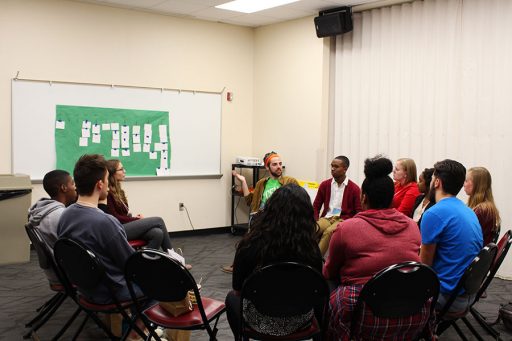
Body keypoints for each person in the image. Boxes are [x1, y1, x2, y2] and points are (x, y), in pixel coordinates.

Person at [57, 154, 165, 341]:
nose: (108, 184)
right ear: (100, 185)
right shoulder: (105, 222)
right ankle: (134, 334)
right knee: (162, 284)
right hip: (109, 291)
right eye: (107, 180)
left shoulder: (65, 216)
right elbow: (131, 266)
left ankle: (135, 328)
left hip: (84, 287)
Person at [323, 156, 423, 340]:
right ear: (391, 197)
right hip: (410, 311)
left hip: (364, 314)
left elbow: (330, 271)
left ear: (364, 197)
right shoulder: (412, 227)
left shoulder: (346, 228)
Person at [224, 184, 323, 339]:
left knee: (231, 298)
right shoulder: (312, 250)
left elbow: (238, 290)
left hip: (260, 320)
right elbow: (316, 291)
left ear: (270, 210)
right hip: (300, 321)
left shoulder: (250, 244)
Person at [420, 159, 483, 315]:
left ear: (436, 182)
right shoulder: (467, 210)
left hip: (446, 298)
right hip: (467, 294)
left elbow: (424, 268)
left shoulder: (434, 213)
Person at [222, 151, 298, 273]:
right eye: (274, 164)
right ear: (267, 167)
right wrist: (243, 181)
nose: (279, 167)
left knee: (258, 237)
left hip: (280, 218)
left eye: (280, 163)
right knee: (245, 242)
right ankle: (239, 265)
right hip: (261, 217)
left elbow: (296, 201)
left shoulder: (290, 181)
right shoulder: (261, 183)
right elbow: (249, 201)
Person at [105, 160, 181, 264]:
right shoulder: (107, 193)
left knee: (157, 233)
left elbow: (124, 213)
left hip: (124, 225)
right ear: (112, 173)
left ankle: (143, 265)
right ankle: (175, 260)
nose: (124, 171)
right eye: (121, 169)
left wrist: (133, 218)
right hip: (117, 229)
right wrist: (136, 219)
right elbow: (115, 217)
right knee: (158, 220)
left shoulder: (119, 190)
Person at [28, 170, 77, 283]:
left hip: (53, 272)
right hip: (68, 274)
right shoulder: (61, 216)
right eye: (73, 183)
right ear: (64, 188)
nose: (75, 187)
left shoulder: (40, 211)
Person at [313, 156, 362, 255]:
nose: (332, 169)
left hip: (342, 219)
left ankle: (315, 260)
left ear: (345, 169)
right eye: (331, 166)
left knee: (329, 232)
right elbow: (316, 205)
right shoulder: (325, 185)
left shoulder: (354, 188)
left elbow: (359, 211)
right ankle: (302, 256)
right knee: (313, 228)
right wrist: (314, 219)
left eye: (336, 166)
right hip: (327, 218)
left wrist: (352, 226)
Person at [464, 167, 501, 246]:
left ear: (477, 185)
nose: (464, 184)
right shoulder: (483, 208)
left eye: (466, 181)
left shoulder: (482, 211)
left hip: (472, 254)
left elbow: (466, 237)